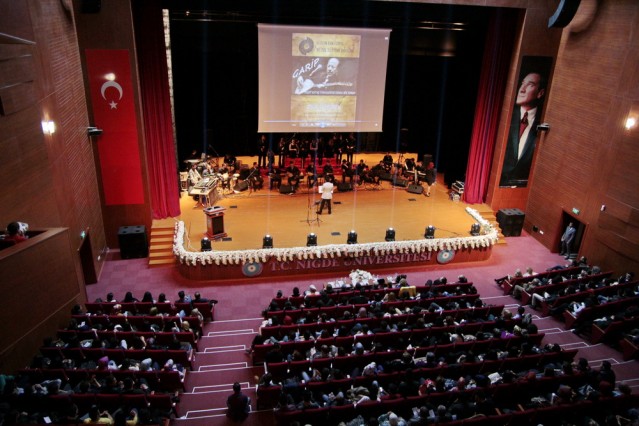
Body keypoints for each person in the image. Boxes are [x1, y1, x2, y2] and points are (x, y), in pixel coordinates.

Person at [500, 71, 547, 187]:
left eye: (530, 84)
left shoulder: (543, 122)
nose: (522, 89)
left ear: (540, 93)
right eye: (522, 84)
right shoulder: (505, 115)